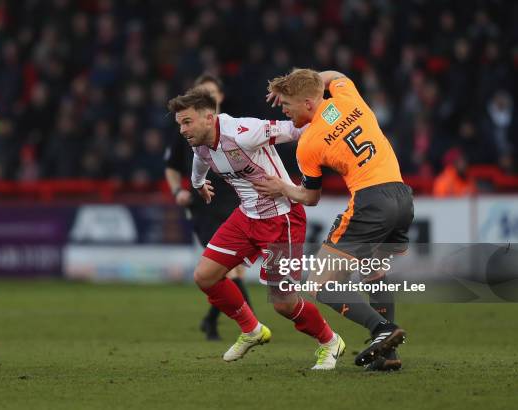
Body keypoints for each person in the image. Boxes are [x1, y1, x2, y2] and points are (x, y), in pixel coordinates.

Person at [167, 88, 345, 370]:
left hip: (281, 219)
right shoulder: (198, 142)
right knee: (205, 276)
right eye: (179, 124)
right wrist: (199, 184)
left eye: (186, 122)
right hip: (245, 217)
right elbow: (199, 162)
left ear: (208, 117)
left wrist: (337, 119)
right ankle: (251, 330)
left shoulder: (244, 131)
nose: (182, 129)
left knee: (283, 303)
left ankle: (330, 341)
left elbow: (299, 127)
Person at [255, 69, 414, 371]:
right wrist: (304, 80)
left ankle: (381, 329)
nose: (284, 111)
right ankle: (387, 355)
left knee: (318, 284)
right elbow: (333, 75)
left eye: (287, 104)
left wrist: (281, 187)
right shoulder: (347, 96)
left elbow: (310, 197)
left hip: (371, 201)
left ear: (307, 103)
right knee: (373, 272)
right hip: (403, 196)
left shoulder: (308, 144)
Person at [164, 74, 252, 340]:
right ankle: (250, 324)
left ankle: (213, 321)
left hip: (235, 203)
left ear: (220, 97)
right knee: (227, 270)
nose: (207, 97)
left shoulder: (233, 129)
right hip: (204, 207)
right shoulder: (186, 131)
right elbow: (171, 167)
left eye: (211, 93)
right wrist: (179, 190)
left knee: (231, 272)